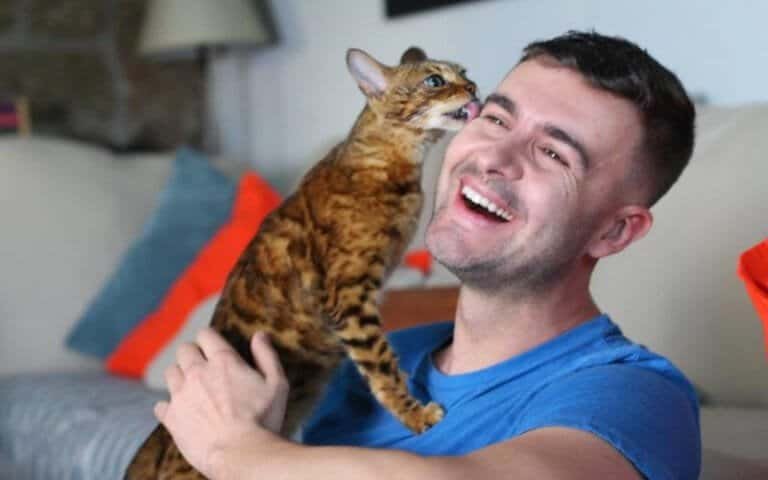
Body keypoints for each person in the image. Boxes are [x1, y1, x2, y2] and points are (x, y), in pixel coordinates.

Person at [153, 30, 700, 480]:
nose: (494, 157)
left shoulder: (635, 393)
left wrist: (235, 452)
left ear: (614, 232)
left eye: (553, 153)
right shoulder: (362, 368)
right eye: (495, 118)